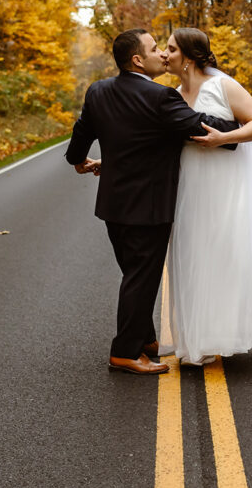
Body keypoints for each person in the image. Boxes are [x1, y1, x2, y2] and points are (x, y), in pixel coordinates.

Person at [65, 28, 239, 375]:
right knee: (141, 279)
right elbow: (200, 127)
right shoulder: (160, 98)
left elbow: (82, 131)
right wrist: (235, 129)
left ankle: (145, 340)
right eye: (155, 48)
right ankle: (125, 353)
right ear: (137, 59)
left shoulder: (98, 91)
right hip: (149, 206)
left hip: (114, 206)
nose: (162, 54)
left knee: (135, 275)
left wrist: (77, 159)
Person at [162, 27, 252, 365]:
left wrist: (223, 139)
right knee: (194, 257)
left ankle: (218, 337)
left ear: (188, 58)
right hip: (190, 186)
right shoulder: (173, 95)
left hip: (226, 186)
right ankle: (195, 338)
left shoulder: (223, 86)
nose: (164, 55)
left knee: (224, 256)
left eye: (170, 49)